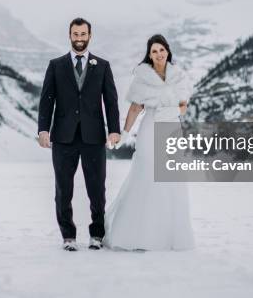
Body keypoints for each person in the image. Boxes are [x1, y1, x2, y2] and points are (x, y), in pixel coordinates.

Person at [104, 34, 195, 251]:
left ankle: (168, 237)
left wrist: (169, 111)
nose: (158, 54)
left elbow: (183, 107)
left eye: (161, 50)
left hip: (171, 129)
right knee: (146, 175)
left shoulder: (178, 76)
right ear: (149, 54)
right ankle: (137, 235)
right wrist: (124, 133)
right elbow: (136, 108)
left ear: (167, 51)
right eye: (154, 51)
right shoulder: (143, 76)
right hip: (149, 129)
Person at [38, 17, 121, 251]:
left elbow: (111, 101)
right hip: (63, 137)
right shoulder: (56, 65)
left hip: (94, 137)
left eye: (83, 34)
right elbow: (46, 100)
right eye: (76, 34)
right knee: (63, 189)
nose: (80, 39)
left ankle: (97, 234)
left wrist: (114, 130)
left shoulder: (102, 66)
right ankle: (68, 236)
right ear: (70, 35)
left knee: (97, 189)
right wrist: (43, 129)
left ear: (90, 36)